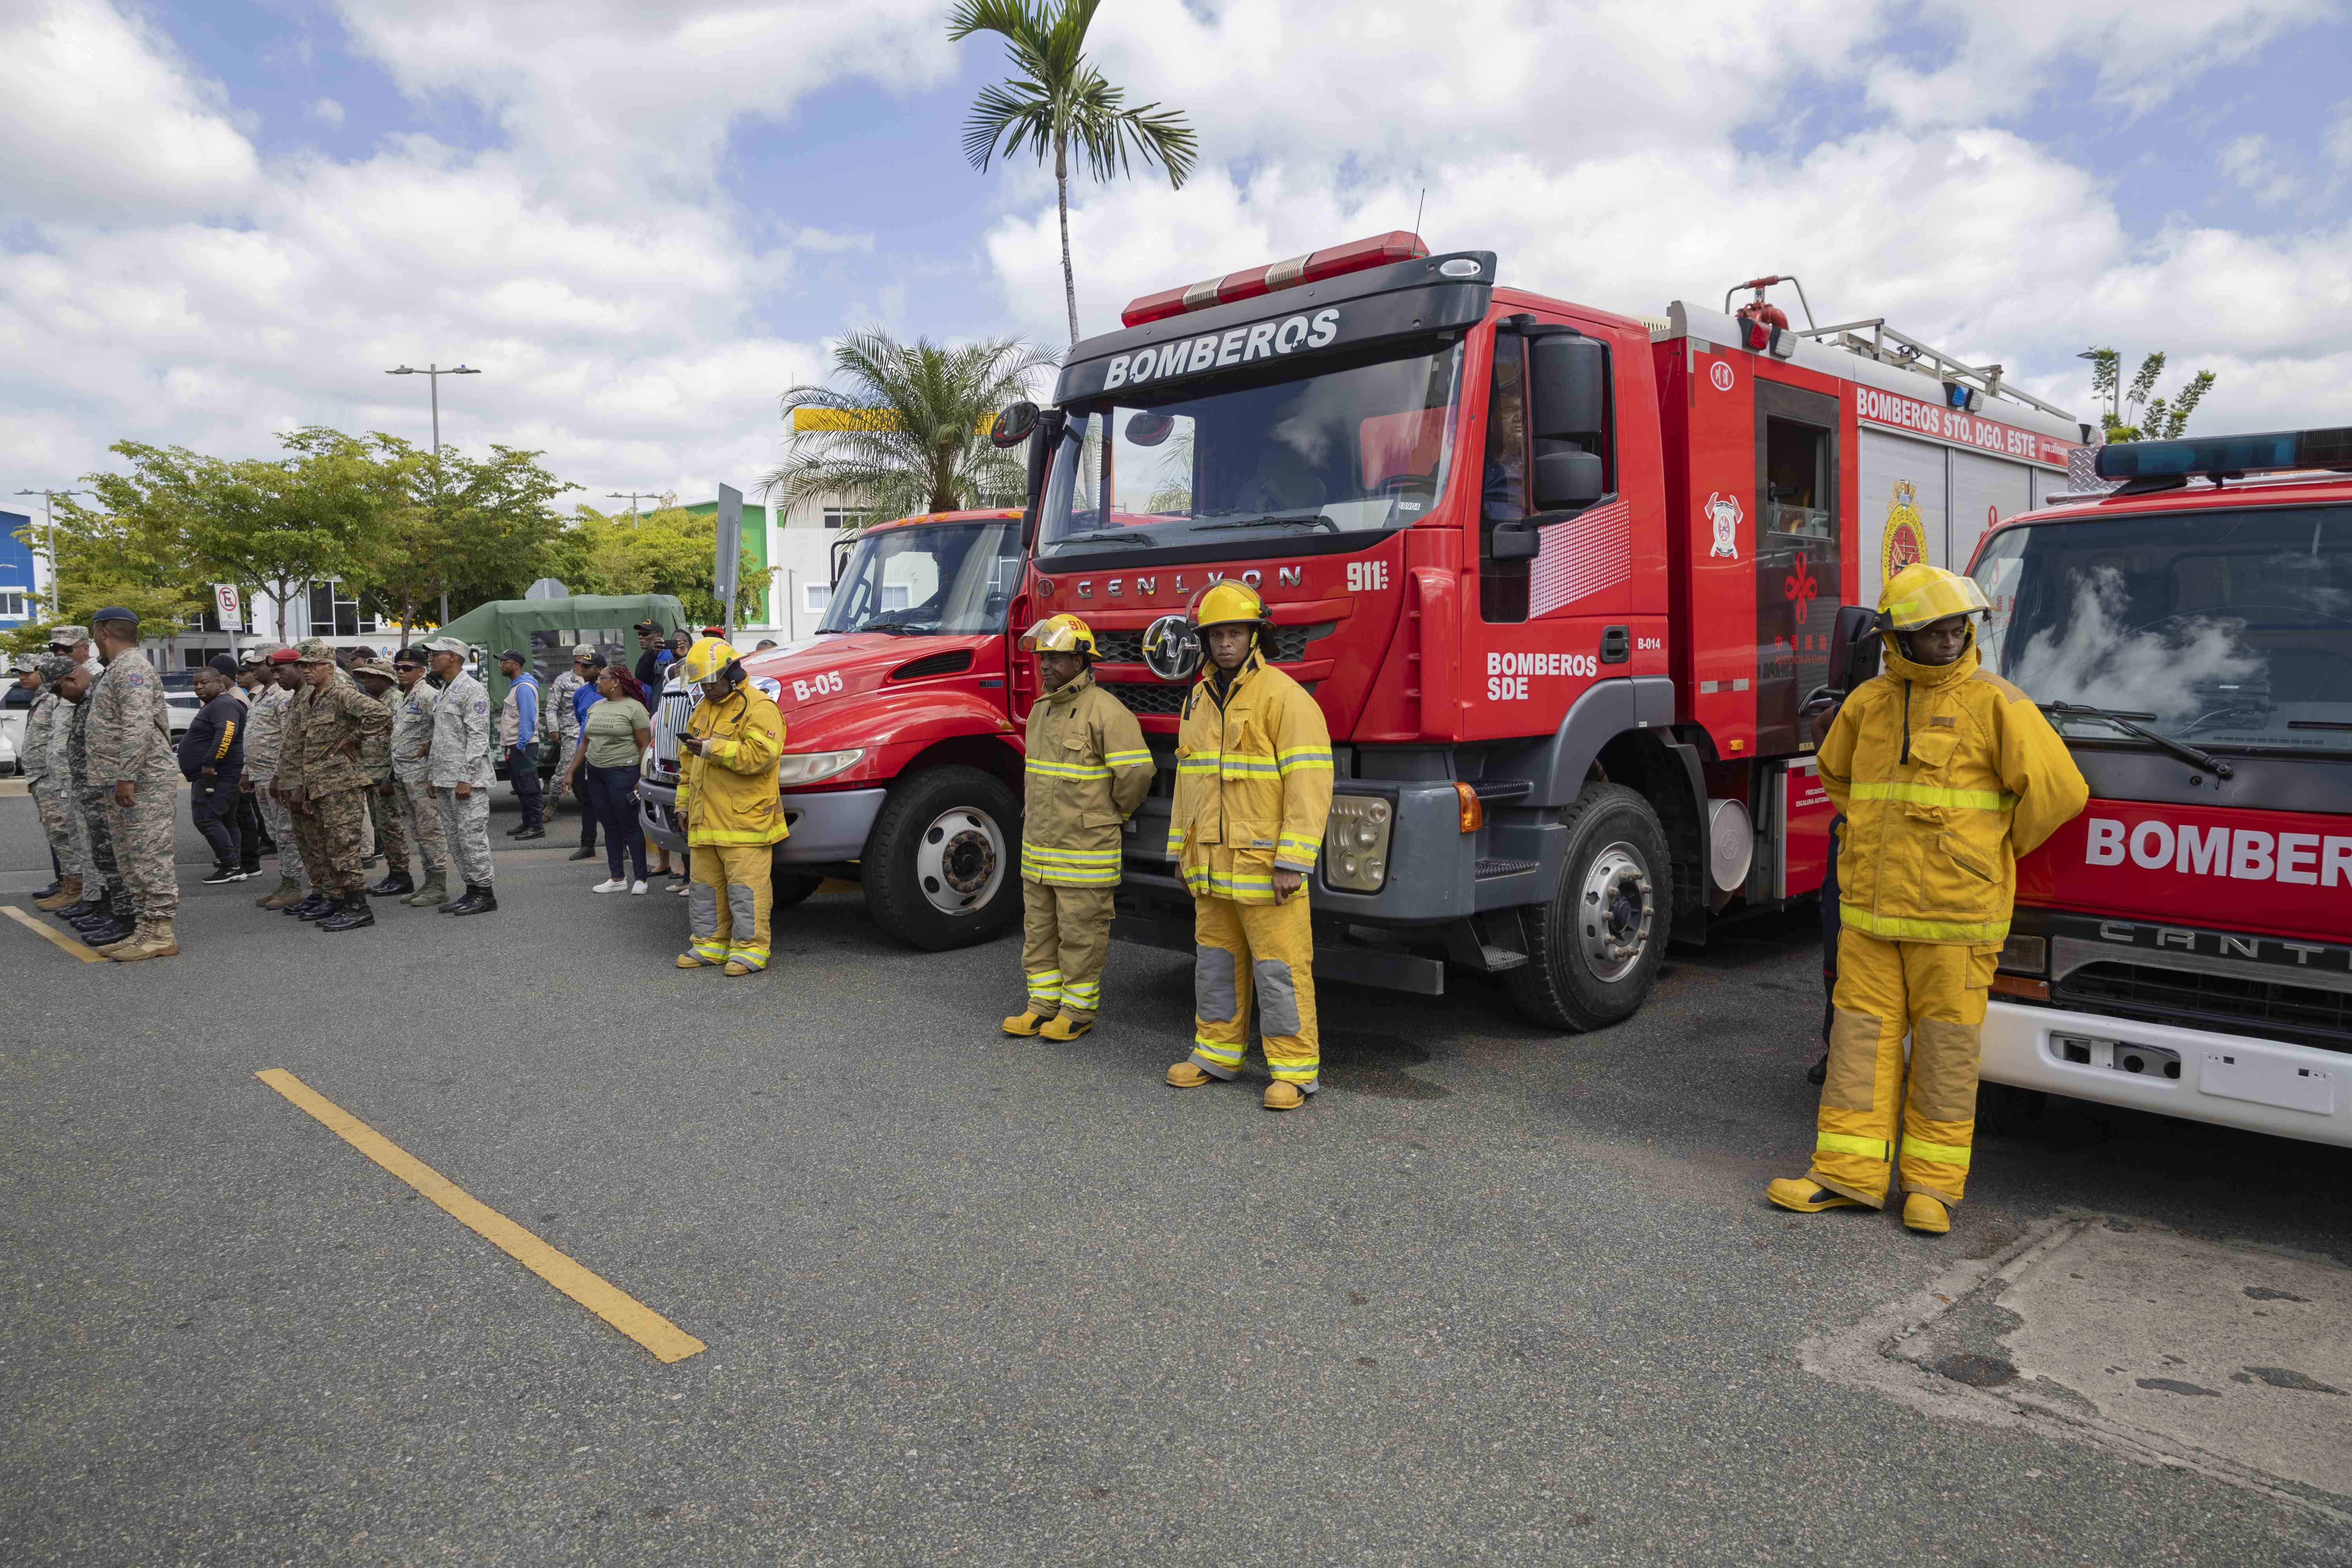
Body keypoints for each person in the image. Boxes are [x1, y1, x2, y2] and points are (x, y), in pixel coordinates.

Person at [1768, 565, 2087, 1236]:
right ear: (1896, 639)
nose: (1949, 641)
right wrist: (1870, 842)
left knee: (1945, 1054)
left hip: (1957, 919)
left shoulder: (1997, 703)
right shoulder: (1868, 705)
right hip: (1870, 918)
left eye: (1956, 628)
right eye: (1933, 631)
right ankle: (1846, 1177)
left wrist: (1989, 853)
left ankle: (1932, 1189)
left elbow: (2061, 793)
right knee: (1860, 1049)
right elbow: (1839, 776)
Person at [1163, 582, 1334, 1109]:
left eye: (1235, 632)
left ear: (1256, 635)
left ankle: (1294, 1071)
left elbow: (1309, 784)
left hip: (1265, 867)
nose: (1225, 644)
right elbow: (1189, 778)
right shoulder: (1197, 697)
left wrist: (1293, 861)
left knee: (1280, 969)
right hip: (1211, 866)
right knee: (1214, 964)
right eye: (1216, 635)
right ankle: (1215, 1053)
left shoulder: (1284, 697)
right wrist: (1178, 852)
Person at [1000, 614, 1152, 1042]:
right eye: (1043, 656)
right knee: (1040, 932)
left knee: (1081, 935)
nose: (1045, 665)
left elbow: (1137, 775)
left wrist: (1110, 816)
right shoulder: (1041, 711)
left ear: (1082, 660)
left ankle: (1078, 1011)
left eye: (1057, 657)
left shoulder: (1106, 712)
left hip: (1085, 851)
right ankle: (1042, 1005)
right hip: (1040, 853)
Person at [672, 636, 788, 975]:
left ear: (733, 673)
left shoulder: (760, 707)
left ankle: (751, 950)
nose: (706, 688)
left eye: (712, 681)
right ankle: (709, 945)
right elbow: (687, 764)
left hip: (745, 823)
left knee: (745, 891)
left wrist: (712, 749)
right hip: (705, 820)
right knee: (705, 890)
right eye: (701, 683)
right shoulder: (703, 708)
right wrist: (682, 804)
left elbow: (762, 757)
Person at [84, 607, 184, 961]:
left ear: (102, 631)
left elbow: (138, 727)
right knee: (130, 858)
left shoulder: (132, 669)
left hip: (142, 780)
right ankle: (145, 927)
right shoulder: (117, 669)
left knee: (149, 855)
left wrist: (126, 776)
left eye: (93, 632)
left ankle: (161, 933)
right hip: (121, 780)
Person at [277, 637, 392, 933]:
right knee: (328, 848)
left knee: (344, 848)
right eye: (302, 666)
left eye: (312, 666)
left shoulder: (341, 692)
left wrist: (355, 738)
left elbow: (380, 714)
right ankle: (340, 901)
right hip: (320, 785)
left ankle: (359, 906)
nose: (306, 671)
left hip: (342, 784)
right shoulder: (315, 696)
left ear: (328, 667)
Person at [54, 661, 135, 946]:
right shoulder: (90, 698)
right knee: (101, 854)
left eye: (60, 690)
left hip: (104, 787)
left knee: (111, 854)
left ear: (71, 680)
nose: (61, 697)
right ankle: (111, 908)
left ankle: (126, 915)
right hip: (90, 788)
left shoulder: (101, 692)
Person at [423, 635, 498, 914]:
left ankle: (485, 893)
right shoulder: (445, 689)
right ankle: (471, 890)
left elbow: (478, 738)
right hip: (445, 779)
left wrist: (466, 777)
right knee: (455, 840)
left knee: (472, 838)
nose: (431, 658)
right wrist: (433, 776)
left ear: (454, 656)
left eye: (436, 654)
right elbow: (442, 738)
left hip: (467, 781)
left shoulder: (472, 690)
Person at [563, 663, 653, 893]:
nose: (597, 682)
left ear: (615, 683)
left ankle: (641, 879)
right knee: (610, 826)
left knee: (630, 826)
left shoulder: (635, 709)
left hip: (623, 773)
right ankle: (617, 878)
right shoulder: (596, 707)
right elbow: (585, 742)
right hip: (596, 773)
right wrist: (571, 772)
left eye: (602, 678)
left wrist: (642, 776)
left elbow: (645, 745)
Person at [243, 648, 314, 908]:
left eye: (258, 665)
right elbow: (255, 734)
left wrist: (280, 776)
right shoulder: (262, 695)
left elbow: (290, 739)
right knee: (276, 833)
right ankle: (286, 881)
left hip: (277, 776)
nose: (254, 669)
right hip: (260, 775)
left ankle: (294, 884)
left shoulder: (283, 695)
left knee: (287, 834)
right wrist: (246, 772)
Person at [386, 648, 451, 907]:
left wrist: (435, 774)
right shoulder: (403, 697)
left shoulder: (429, 696)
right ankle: (428, 881)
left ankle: (439, 885)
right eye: (398, 668)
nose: (401, 672)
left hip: (422, 776)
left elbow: (443, 733)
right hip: (404, 775)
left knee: (431, 831)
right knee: (418, 832)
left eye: (407, 668)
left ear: (422, 671)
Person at [349, 658, 415, 899]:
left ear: (387, 679)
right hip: (372, 776)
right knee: (383, 827)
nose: (365, 680)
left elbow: (398, 744)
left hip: (385, 778)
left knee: (391, 828)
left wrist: (390, 778)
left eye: (371, 676)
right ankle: (395, 874)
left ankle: (401, 876)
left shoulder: (394, 701)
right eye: (363, 676)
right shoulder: (375, 701)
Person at [22, 655, 82, 910]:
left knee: (64, 833)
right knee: (57, 834)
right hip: (42, 775)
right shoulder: (44, 696)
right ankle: (68, 884)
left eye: (27, 672)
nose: (22, 677)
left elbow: (63, 737)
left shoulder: (58, 697)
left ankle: (76, 888)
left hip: (53, 776)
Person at [180, 663, 247, 884]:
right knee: (226, 820)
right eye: (196, 684)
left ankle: (231, 866)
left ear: (220, 683)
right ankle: (233, 862)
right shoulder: (216, 704)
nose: (198, 687)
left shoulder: (223, 704)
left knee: (207, 819)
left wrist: (210, 762)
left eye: (204, 682)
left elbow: (227, 731)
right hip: (222, 774)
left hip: (217, 774)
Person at [543, 644, 596, 860]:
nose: (583, 666)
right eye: (580, 662)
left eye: (587, 663)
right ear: (575, 660)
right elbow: (551, 707)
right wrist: (554, 729)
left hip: (596, 733)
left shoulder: (599, 681)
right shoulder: (564, 681)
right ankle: (551, 805)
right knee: (565, 770)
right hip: (573, 733)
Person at [496, 650, 544, 840]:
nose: (501, 665)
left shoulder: (524, 688)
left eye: (504, 662)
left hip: (522, 745)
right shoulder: (516, 686)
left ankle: (536, 826)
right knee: (521, 786)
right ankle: (528, 822)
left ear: (516, 665)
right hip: (515, 745)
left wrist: (522, 745)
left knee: (529, 787)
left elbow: (528, 718)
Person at [632, 621, 671, 694]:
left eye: (645, 634)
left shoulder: (668, 656)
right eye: (639, 634)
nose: (640, 637)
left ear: (658, 636)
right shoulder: (647, 656)